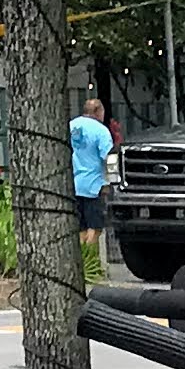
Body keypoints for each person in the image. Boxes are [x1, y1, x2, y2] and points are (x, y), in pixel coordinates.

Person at [69, 92, 112, 279]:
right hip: (94, 184)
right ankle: (91, 264)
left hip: (74, 182)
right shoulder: (101, 131)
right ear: (98, 111)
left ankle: (80, 262)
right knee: (95, 227)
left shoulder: (71, 126)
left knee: (81, 227)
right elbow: (107, 157)